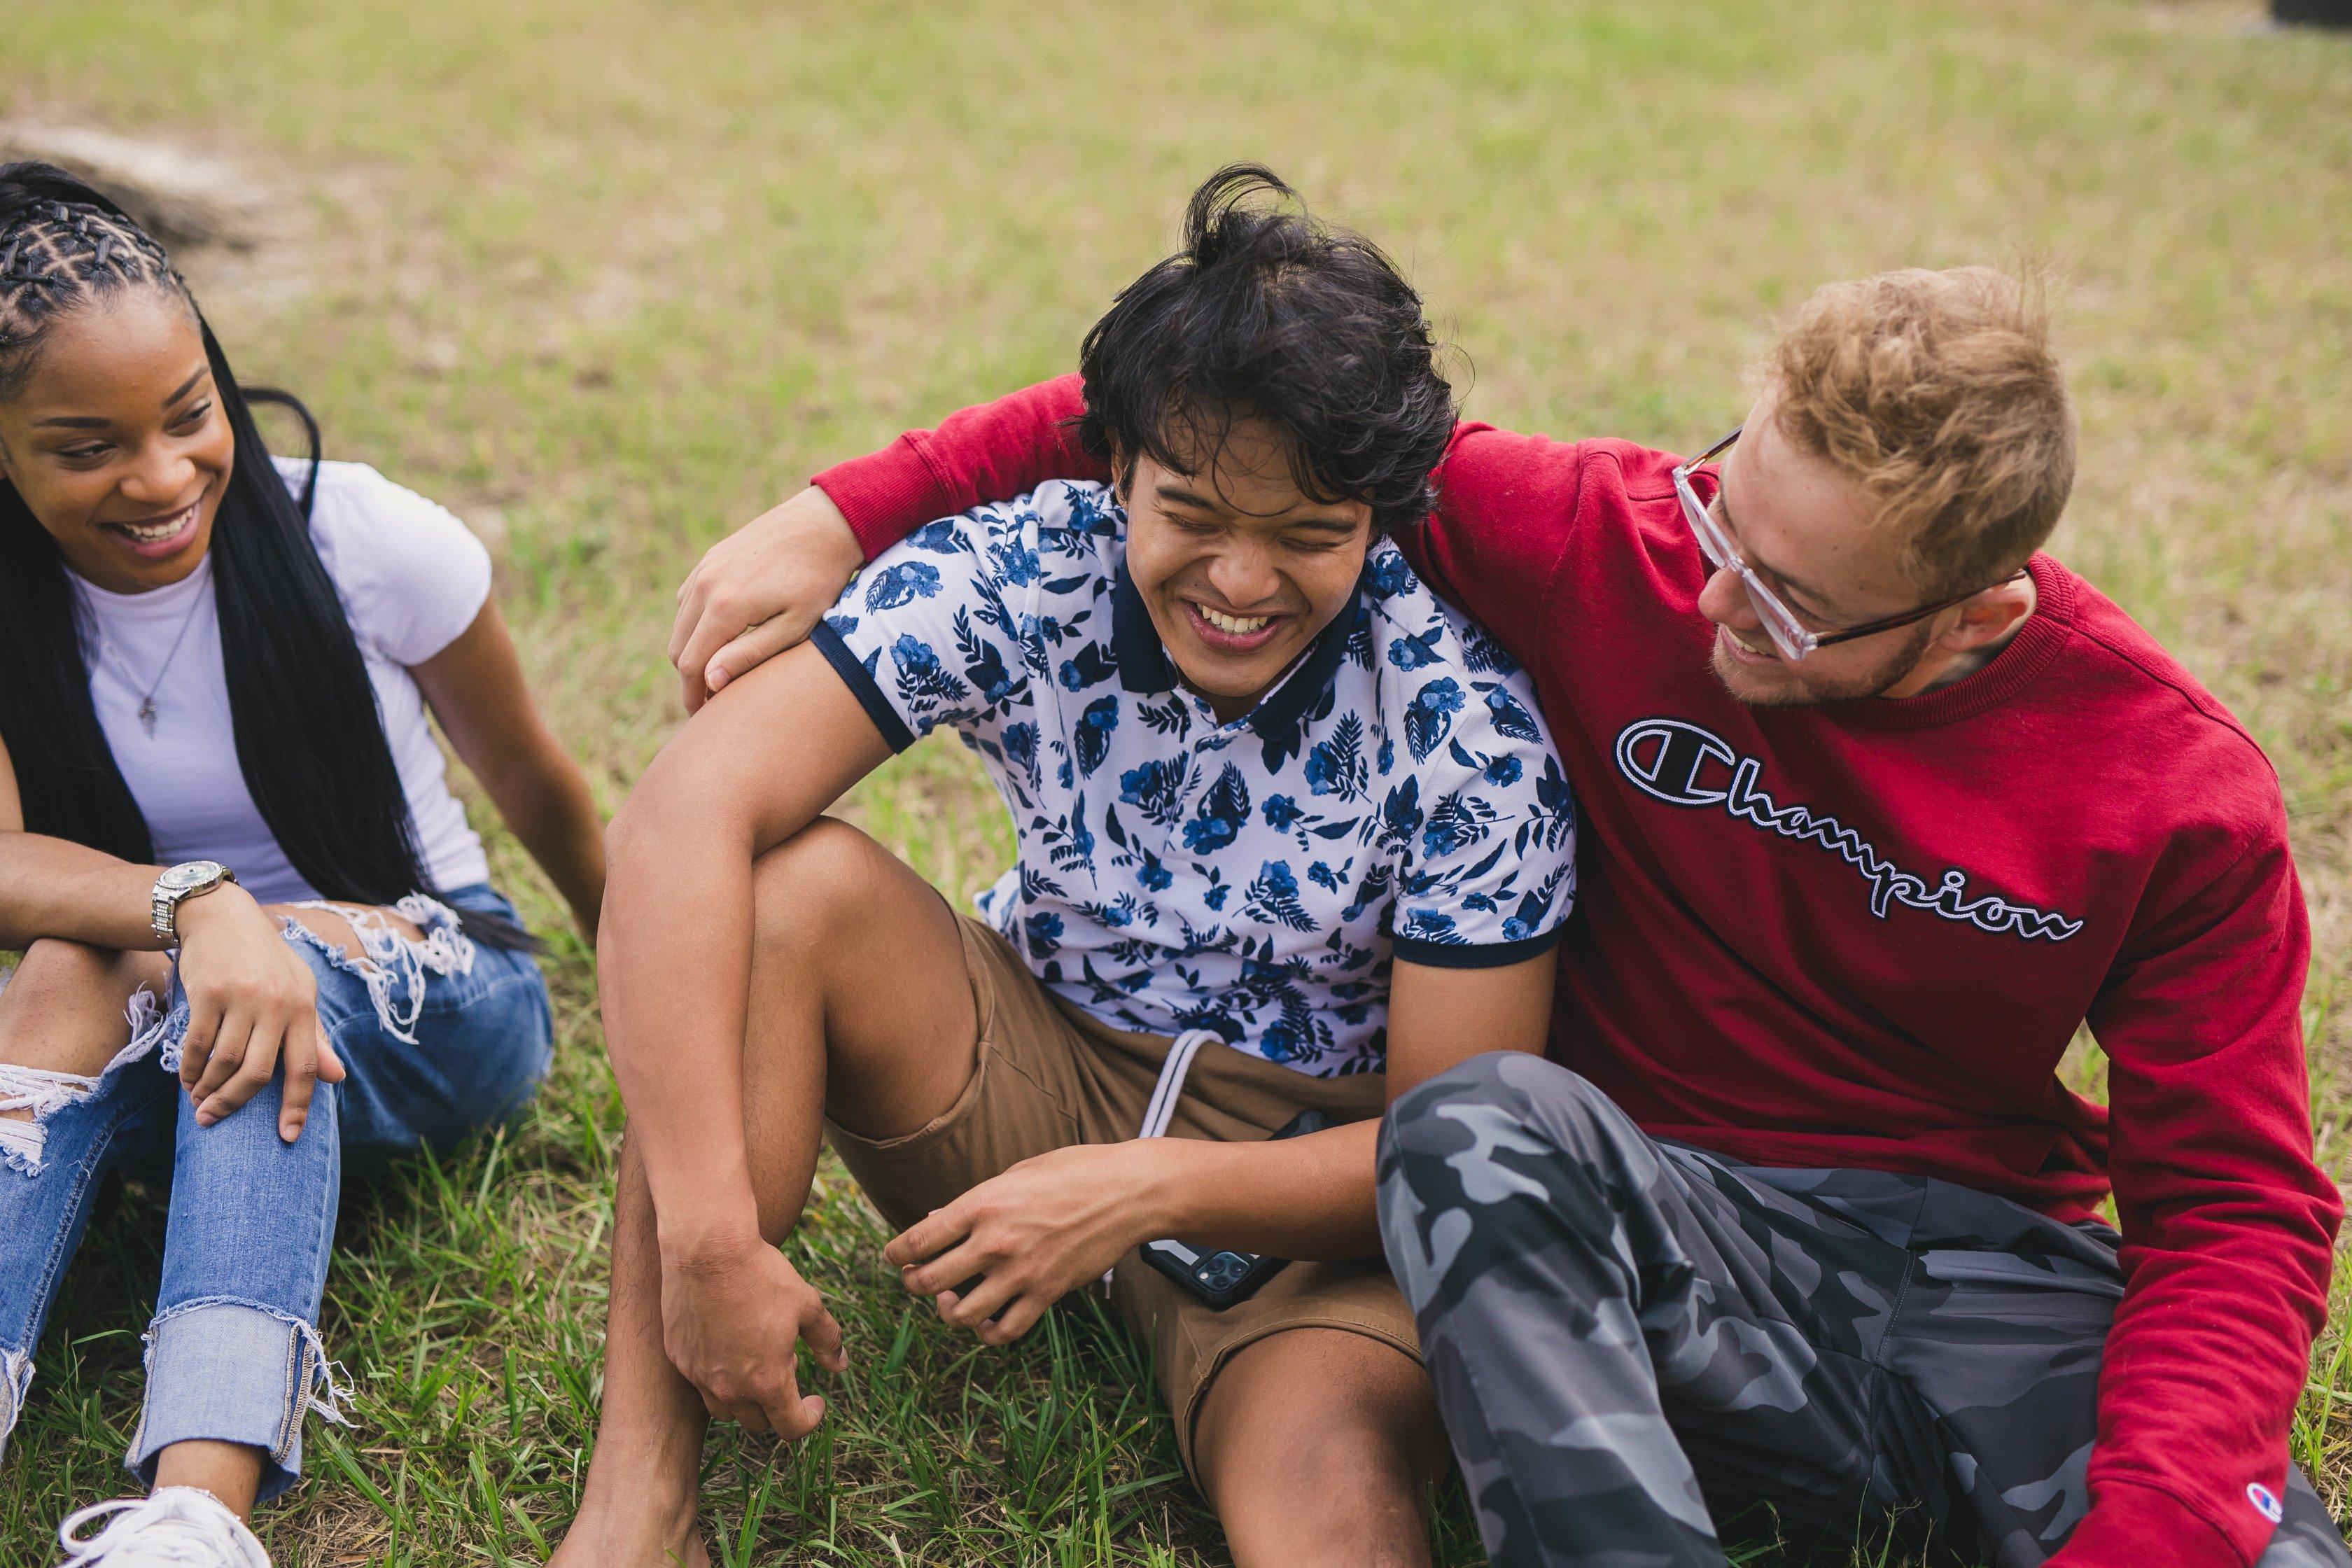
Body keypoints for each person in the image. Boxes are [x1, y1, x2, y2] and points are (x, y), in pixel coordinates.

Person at [671, 264, 2349, 1565]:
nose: (1709, 604)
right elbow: (1221, 422)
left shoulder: (2171, 793)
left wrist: (2156, 1524)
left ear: (1979, 604)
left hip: (1978, 1276)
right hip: (1636, 1230)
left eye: (1789, 605)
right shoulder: (1611, 541)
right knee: (1481, 1124)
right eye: (1720, 515)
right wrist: (846, 506)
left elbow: (2236, 1216)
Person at [552, 167, 1576, 1568]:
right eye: (1195, 511)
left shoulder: (1469, 731)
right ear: (1116, 467)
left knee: (1329, 1511)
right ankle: (636, 1498)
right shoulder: (1026, 570)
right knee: (790, 887)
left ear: (1383, 521)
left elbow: (1447, 1149)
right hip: (1034, 1056)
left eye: (1308, 536)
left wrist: (1138, 1188)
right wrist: (710, 1237)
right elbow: (682, 817)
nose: (1237, 578)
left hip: (1309, 1200)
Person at [0, 162, 605, 1568]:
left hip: (436, 985)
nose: (161, 477)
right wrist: (197, 899)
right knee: (66, 964)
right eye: (87, 444)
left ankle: (196, 1514)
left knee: (246, 978)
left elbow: (541, 790)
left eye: (189, 414)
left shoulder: (361, 536)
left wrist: (644, 981)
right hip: (175, 980)